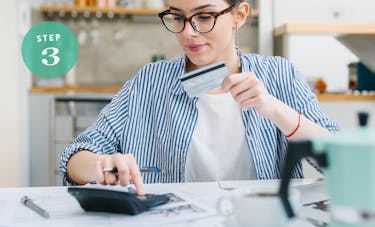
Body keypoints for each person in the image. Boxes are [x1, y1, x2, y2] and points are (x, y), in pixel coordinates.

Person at [60, 0, 339, 195]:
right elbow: (74, 158)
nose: (188, 32)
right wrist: (100, 167)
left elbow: (344, 163)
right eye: (178, 17)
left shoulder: (280, 74)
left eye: (204, 17)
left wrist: (275, 109)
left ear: (239, 15)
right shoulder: (149, 81)